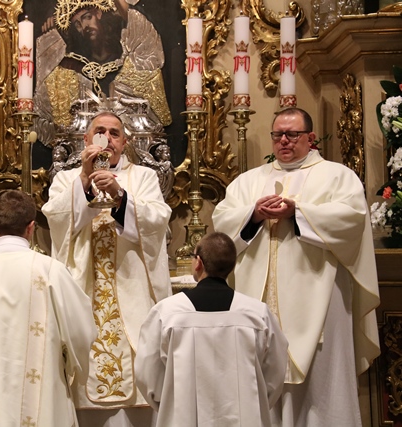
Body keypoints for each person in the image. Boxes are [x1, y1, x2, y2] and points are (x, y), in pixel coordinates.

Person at [212, 107, 380, 426]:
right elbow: (222, 221)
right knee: (261, 375)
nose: (284, 141)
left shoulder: (337, 176)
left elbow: (353, 219)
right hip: (260, 300)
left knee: (321, 378)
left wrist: (298, 212)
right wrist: (253, 214)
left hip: (320, 298)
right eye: (278, 135)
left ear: (310, 138)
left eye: (292, 134)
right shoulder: (249, 182)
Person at [42, 111, 172, 427]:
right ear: (86, 140)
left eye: (115, 133)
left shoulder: (143, 177)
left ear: (125, 142)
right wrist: (84, 183)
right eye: (100, 132)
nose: (108, 139)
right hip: (83, 291)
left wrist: (119, 195)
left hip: (132, 288)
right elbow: (55, 219)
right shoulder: (66, 179)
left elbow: (157, 222)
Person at [0, 190, 96, 427]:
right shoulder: (50, 271)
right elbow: (81, 332)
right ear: (31, 227)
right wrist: (69, 365)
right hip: (44, 391)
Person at [135, 232, 288, 427]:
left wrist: (170, 403)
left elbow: (147, 373)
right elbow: (275, 372)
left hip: (182, 417)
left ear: (198, 262)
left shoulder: (166, 313)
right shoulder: (258, 314)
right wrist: (253, 403)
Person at [34, 0, 171, 146]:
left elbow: (139, 28)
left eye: (87, 17)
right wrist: (50, 36)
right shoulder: (67, 72)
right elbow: (44, 122)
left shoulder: (133, 61)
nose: (85, 26)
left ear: (98, 14)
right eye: (78, 24)